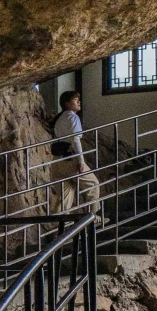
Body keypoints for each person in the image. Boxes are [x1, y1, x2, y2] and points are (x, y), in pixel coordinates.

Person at [47, 88, 102, 218]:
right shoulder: (73, 117)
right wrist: (81, 161)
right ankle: (93, 217)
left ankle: (61, 229)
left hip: (57, 161)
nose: (79, 102)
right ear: (67, 104)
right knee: (93, 184)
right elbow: (75, 140)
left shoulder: (59, 119)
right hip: (70, 158)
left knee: (65, 195)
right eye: (75, 100)